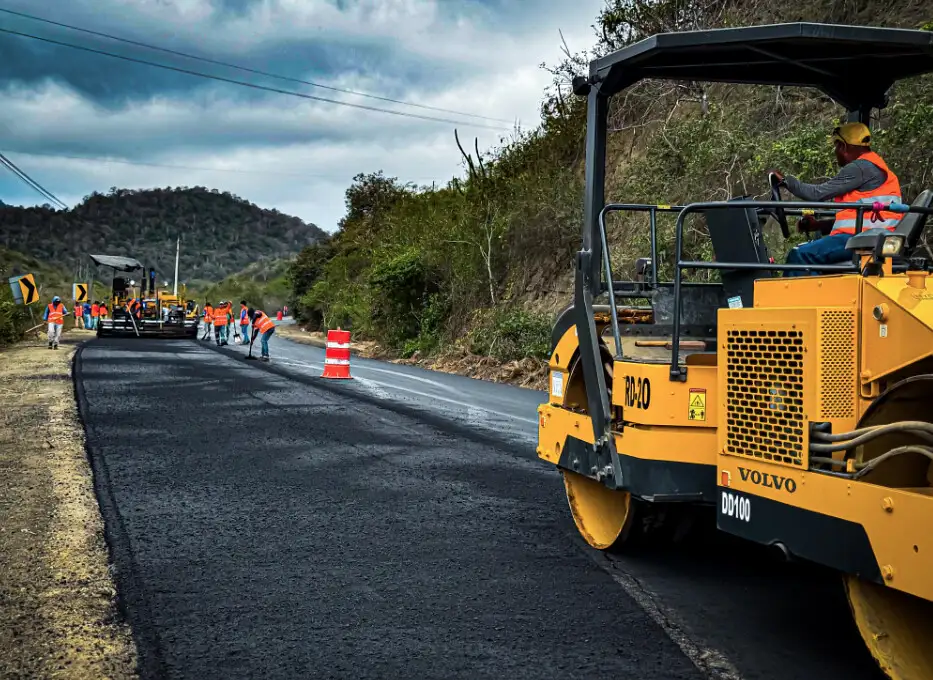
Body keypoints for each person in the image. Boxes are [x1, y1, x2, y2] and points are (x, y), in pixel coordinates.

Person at [772, 122, 903, 275]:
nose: (835, 151)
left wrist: (786, 181)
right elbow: (859, 218)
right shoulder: (874, 165)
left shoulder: (860, 168)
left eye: (836, 146)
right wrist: (819, 225)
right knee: (807, 253)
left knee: (799, 255)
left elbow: (816, 194)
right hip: (870, 236)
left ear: (843, 146)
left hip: (863, 241)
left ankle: (800, 299)